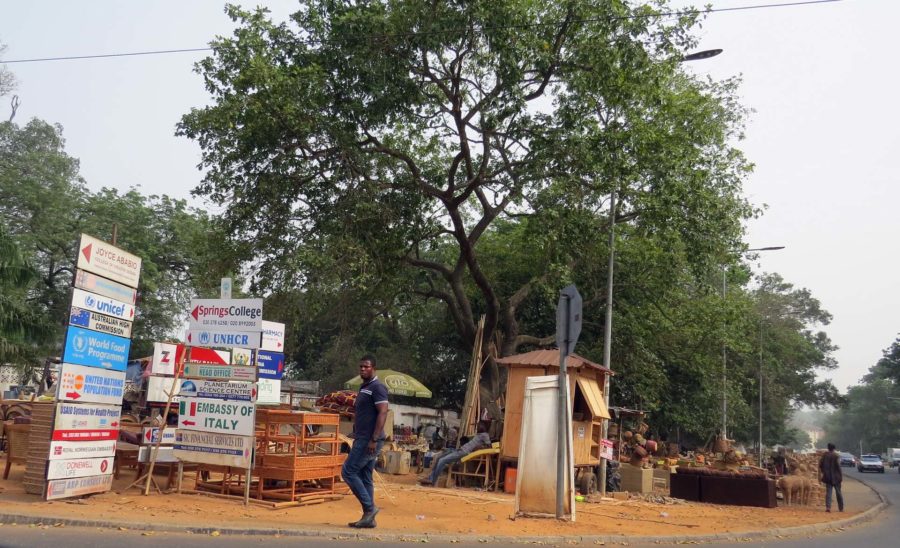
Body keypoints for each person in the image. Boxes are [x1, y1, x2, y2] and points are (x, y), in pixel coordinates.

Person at [341, 355, 389, 528]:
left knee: (348, 472)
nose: (362, 369)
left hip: (370, 440)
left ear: (374, 368)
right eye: (361, 366)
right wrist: (356, 431)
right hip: (362, 437)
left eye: (366, 367)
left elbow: (383, 412)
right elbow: (364, 414)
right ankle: (369, 519)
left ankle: (370, 509)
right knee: (365, 476)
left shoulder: (378, 388)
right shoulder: (365, 387)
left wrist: (374, 439)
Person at [419, 421, 491, 487]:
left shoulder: (485, 435)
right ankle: (430, 478)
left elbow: (489, 446)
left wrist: (479, 448)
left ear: (483, 427)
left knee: (442, 461)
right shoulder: (478, 435)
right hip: (460, 450)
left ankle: (432, 480)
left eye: (478, 426)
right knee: (439, 458)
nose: (477, 427)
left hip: (464, 452)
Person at [818, 443, 844, 512]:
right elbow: (838, 466)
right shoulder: (836, 455)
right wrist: (841, 475)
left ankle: (828, 507)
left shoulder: (825, 455)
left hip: (828, 476)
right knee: (838, 492)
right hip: (836, 477)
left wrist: (824, 471)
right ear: (834, 448)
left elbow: (820, 465)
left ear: (828, 448)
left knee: (828, 492)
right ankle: (841, 508)